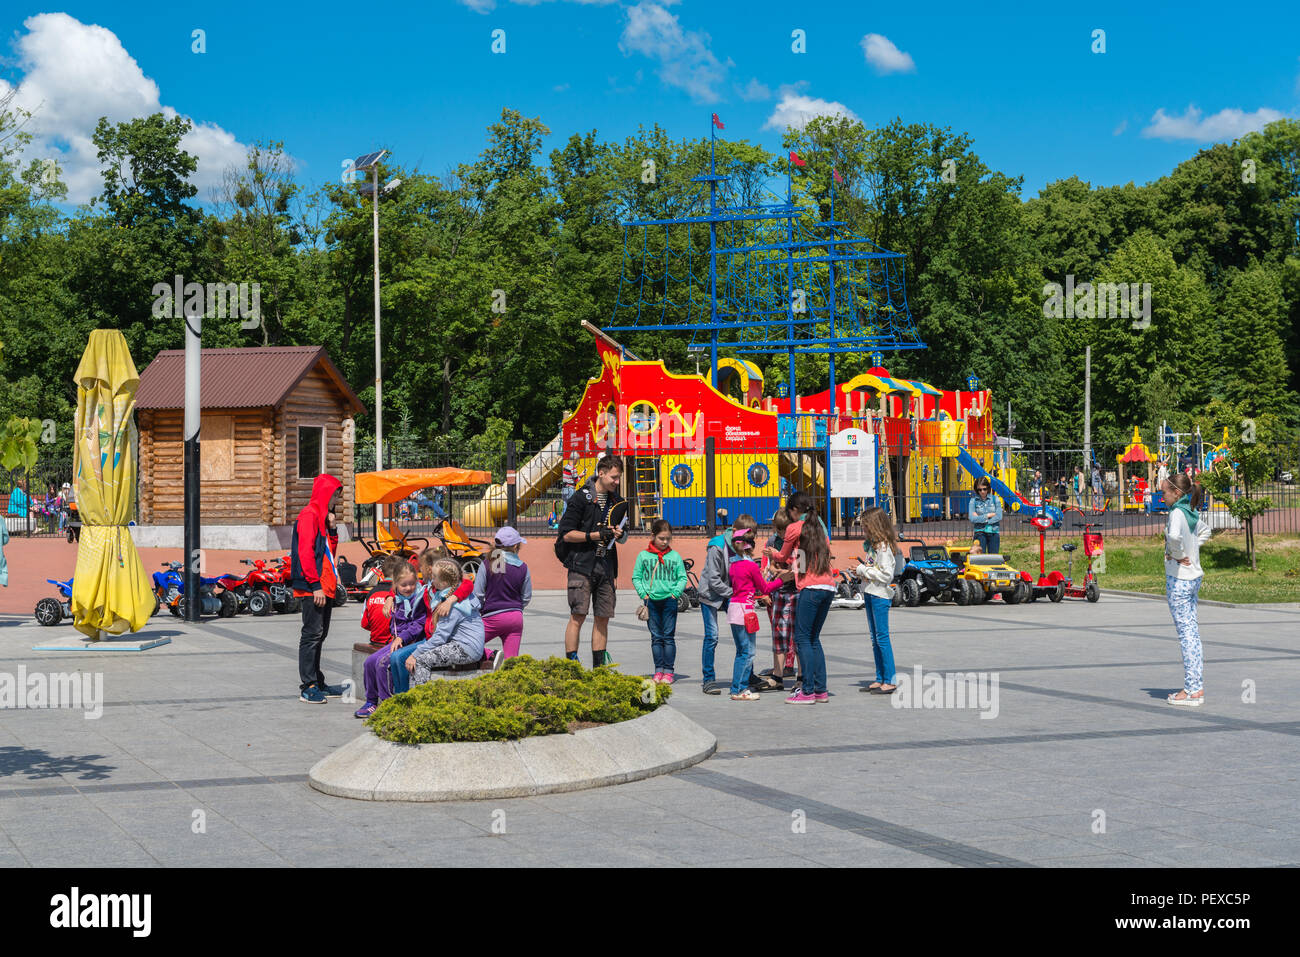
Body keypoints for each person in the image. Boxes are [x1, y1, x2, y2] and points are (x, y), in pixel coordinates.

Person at [556, 455, 628, 668]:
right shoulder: (581, 498)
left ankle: (599, 668)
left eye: (619, 478)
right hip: (582, 565)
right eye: (614, 477)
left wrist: (619, 534)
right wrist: (595, 535)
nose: (616, 482)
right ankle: (572, 666)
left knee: (603, 617)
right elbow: (566, 534)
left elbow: (624, 537)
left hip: (606, 566)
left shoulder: (618, 501)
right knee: (577, 615)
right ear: (602, 472)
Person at [1161, 471, 1212, 706]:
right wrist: (1192, 551)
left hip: (1180, 579)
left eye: (1165, 493)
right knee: (1192, 633)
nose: (1163, 497)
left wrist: (1178, 554)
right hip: (1193, 578)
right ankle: (1196, 688)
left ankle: (1191, 691)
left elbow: (1173, 537)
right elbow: (1205, 531)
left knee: (1186, 636)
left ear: (1177, 493)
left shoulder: (1177, 513)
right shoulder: (1190, 511)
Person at [292, 473, 343, 704]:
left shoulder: (322, 518)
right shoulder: (309, 515)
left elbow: (329, 553)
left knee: (320, 635)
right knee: (311, 635)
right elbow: (305, 552)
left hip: (325, 585)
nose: (336, 501)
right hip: (314, 587)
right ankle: (308, 685)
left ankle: (318, 680)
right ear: (325, 494)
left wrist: (332, 530)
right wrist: (314, 585)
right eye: (334, 496)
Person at [354, 561, 427, 717]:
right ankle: (371, 701)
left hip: (412, 642)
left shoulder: (419, 598)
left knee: (382, 664)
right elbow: (395, 622)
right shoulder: (396, 598)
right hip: (398, 640)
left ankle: (388, 703)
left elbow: (419, 624)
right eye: (404, 585)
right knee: (369, 662)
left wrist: (402, 637)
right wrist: (390, 598)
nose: (409, 588)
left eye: (412, 584)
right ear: (395, 585)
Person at [726, 524, 786, 701]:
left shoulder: (733, 564)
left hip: (734, 608)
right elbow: (765, 587)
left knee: (741, 651)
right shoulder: (750, 566)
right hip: (746, 610)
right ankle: (740, 688)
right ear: (749, 546)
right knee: (748, 652)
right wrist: (782, 580)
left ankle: (736, 687)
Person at [405, 559, 487, 687]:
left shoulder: (450, 606)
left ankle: (420, 701)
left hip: (465, 648)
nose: (432, 580)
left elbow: (439, 638)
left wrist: (414, 654)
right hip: (465, 645)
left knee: (420, 661)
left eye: (434, 577)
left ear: (443, 582)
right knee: (424, 655)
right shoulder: (455, 593)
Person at [785, 505, 835, 704]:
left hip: (811, 590)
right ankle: (820, 690)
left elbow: (796, 566)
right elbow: (803, 566)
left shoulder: (799, 541)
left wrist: (780, 558)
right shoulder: (822, 541)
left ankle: (807, 691)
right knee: (814, 639)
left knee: (802, 639)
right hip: (828, 588)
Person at [631, 519, 688, 684]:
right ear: (653, 536)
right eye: (661, 538)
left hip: (669, 601)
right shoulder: (643, 556)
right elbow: (637, 577)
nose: (665, 542)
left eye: (668, 539)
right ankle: (658, 670)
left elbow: (682, 577)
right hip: (651, 602)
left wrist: (675, 594)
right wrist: (644, 594)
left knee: (668, 637)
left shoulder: (674, 556)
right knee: (656, 637)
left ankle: (669, 671)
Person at [697, 515, 744, 694]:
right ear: (734, 531)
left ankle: (747, 674)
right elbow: (713, 580)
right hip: (711, 594)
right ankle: (708, 679)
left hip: (730, 593)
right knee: (712, 637)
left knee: (742, 634)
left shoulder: (743, 545)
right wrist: (734, 593)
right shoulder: (716, 547)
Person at [855, 507, 900, 694]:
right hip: (870, 592)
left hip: (880, 595)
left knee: (882, 638)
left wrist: (862, 570)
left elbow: (887, 575)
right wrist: (863, 570)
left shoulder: (883, 547)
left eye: (866, 527)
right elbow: (872, 568)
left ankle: (890, 679)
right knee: (875, 638)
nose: (863, 531)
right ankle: (880, 677)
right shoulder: (874, 546)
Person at [476, 526, 532, 662]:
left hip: (491, 617)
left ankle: (492, 655)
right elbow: (526, 596)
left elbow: (478, 594)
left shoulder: (487, 563)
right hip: (515, 617)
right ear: (515, 546)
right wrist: (516, 608)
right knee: (511, 662)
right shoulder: (523, 567)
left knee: (468, 643)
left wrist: (481, 609)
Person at [760, 508, 797, 690]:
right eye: (779, 530)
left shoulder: (797, 541)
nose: (782, 534)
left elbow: (800, 566)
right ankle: (778, 674)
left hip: (796, 591)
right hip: (779, 590)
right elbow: (767, 566)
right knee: (779, 634)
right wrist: (767, 586)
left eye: (785, 530)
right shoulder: (773, 540)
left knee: (798, 636)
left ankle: (798, 674)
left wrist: (786, 570)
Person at [969, 477, 1002, 555]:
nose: (982, 491)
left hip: (993, 531)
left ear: (988, 488)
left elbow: (999, 516)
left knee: (993, 558)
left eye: (984, 489)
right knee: (979, 557)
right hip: (980, 532)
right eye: (979, 490)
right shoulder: (973, 501)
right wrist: (988, 515)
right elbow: (972, 518)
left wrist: (980, 518)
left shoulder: (995, 499)